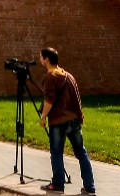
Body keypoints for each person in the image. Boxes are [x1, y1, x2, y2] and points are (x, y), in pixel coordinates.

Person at [38, 47, 95, 194]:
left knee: (56, 152)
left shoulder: (50, 77)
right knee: (81, 153)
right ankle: (89, 187)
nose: (40, 60)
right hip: (74, 121)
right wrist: (79, 116)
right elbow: (77, 98)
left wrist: (43, 116)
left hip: (58, 122)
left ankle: (57, 185)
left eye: (41, 57)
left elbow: (49, 101)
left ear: (47, 59)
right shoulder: (69, 76)